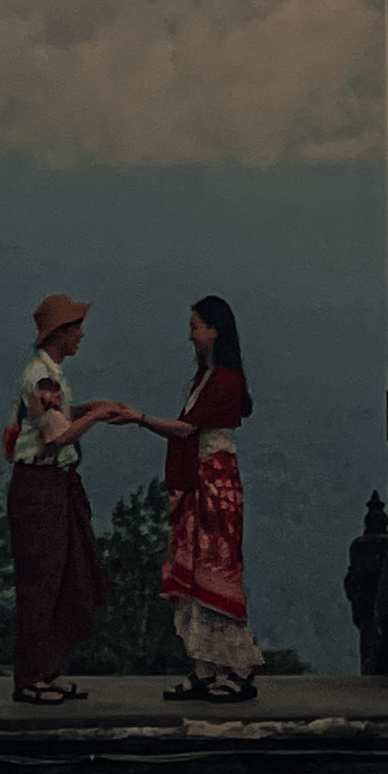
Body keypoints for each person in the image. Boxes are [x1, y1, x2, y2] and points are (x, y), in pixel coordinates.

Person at [117, 294, 261, 703]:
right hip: (202, 479)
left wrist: (139, 418)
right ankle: (206, 667)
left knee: (216, 572)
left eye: (196, 325)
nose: (191, 334)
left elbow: (186, 430)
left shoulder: (226, 379)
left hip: (212, 484)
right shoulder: (208, 376)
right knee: (196, 574)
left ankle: (237, 667)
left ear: (214, 331)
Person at [7, 289, 126, 704]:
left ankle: (48, 670)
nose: (81, 336)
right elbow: (57, 437)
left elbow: (56, 415)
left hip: (52, 486)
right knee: (42, 581)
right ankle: (31, 677)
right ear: (59, 333)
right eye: (76, 328)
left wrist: (95, 406)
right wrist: (95, 416)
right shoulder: (41, 376)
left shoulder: (50, 375)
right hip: (41, 487)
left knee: (63, 579)